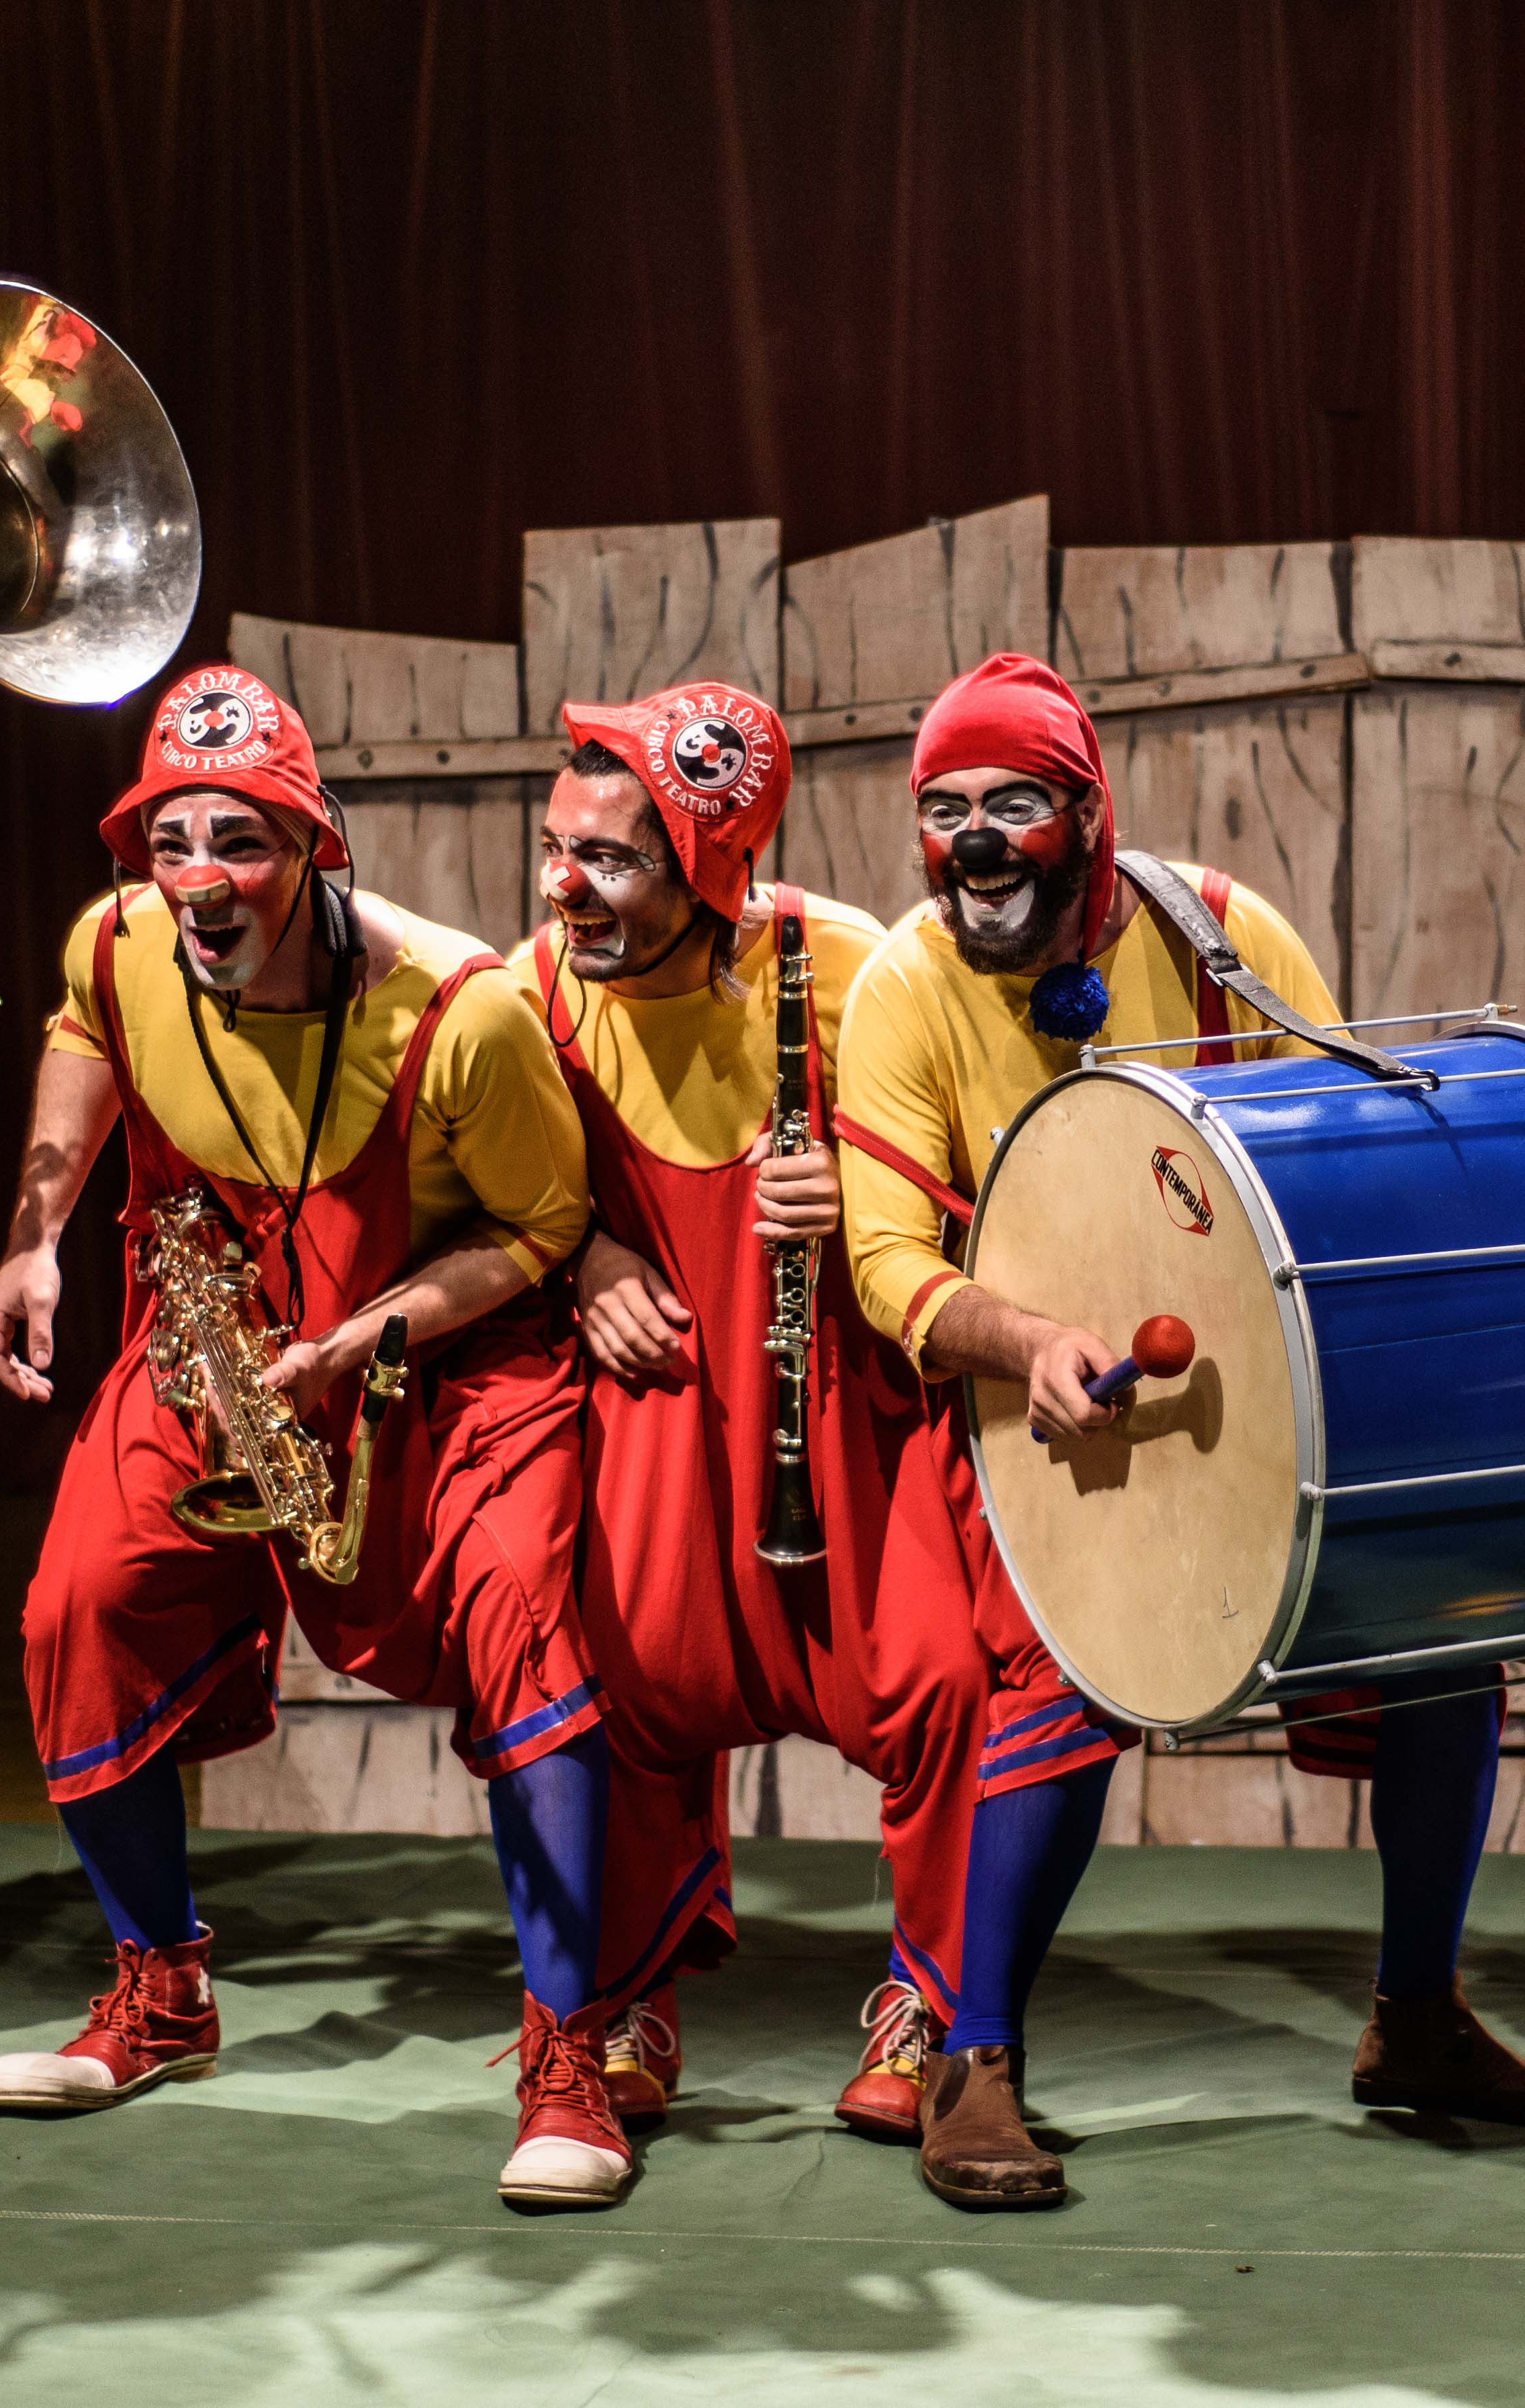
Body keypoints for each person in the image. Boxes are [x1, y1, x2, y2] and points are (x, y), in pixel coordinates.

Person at [831, 653, 1525, 2207]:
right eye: (942, 809)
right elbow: (887, 1260)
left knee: (1443, 1626)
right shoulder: (903, 984)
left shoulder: (1222, 933)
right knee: (1057, 1672)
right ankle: (975, 2057)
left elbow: (1330, 1173)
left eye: (1010, 802)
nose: (972, 838)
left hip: (1248, 1387)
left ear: (1087, 814)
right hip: (1025, 1414)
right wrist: (1030, 1340)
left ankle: (1416, 2017)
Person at [0, 665, 632, 2208]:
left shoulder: (463, 1007)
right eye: (172, 841)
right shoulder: (115, 935)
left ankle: (568, 2053)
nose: (201, 879)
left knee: (528, 1625)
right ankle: (159, 1983)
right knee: (79, 1602)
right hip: (218, 1322)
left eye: (242, 842)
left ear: (313, 847)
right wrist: (35, 1232)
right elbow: (79, 1021)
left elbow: (542, 1227)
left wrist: (362, 1336)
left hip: (440, 1348)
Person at [512, 682, 984, 2160]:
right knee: (628, 1677)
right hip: (661, 1400)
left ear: (709, 870)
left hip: (841, 1396)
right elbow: (481, 1188)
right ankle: (633, 1997)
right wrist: (586, 1257)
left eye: (607, 858)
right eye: (556, 845)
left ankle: (934, 2005)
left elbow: (1002, 1160)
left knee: (942, 1680)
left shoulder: (860, 967)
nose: (561, 884)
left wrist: (876, 1201)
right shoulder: (533, 987)